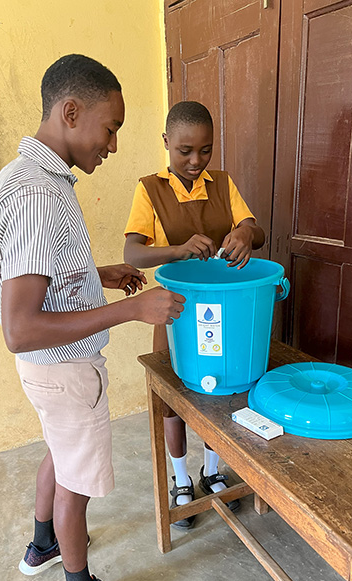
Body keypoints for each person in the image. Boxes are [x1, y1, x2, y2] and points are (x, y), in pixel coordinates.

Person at [0, 54, 185, 581]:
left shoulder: (33, 177)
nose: (114, 144)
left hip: (52, 377)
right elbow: (19, 329)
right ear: (71, 112)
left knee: (59, 451)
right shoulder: (36, 195)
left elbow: (44, 272)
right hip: (64, 371)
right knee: (77, 480)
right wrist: (132, 310)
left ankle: (43, 543)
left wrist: (98, 275)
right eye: (111, 126)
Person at [124, 101, 265, 528]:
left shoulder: (221, 183)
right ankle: (181, 477)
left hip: (223, 310)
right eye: (185, 150)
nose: (195, 161)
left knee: (219, 391)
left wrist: (244, 232)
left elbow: (255, 229)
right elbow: (133, 252)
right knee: (173, 400)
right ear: (166, 143)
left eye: (205, 150)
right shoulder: (150, 189)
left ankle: (212, 470)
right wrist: (177, 250)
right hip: (174, 314)